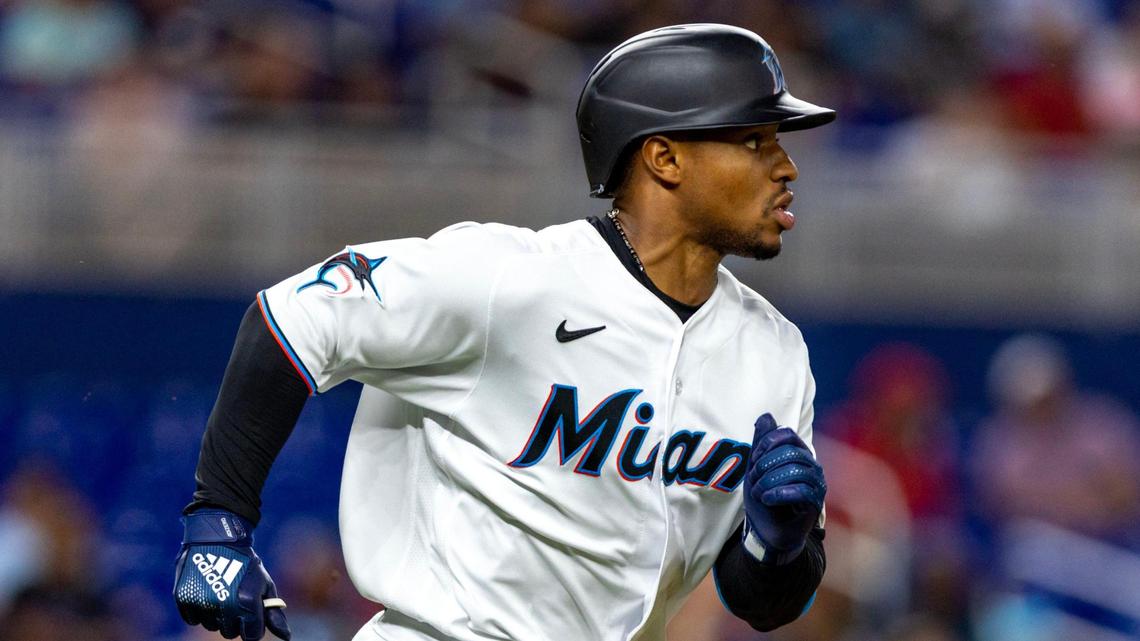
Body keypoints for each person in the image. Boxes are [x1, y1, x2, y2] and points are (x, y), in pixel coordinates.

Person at [172, 23, 834, 641]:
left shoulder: (774, 352)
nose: (786, 166)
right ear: (665, 157)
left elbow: (761, 603)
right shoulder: (509, 277)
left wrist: (774, 546)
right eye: (755, 141)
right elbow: (293, 316)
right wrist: (218, 520)